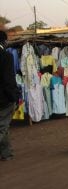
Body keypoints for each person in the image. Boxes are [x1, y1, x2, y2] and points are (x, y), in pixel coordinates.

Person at [0, 31, 19, 161]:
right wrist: (15, 97)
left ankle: (6, 153)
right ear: (4, 42)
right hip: (4, 99)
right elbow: (8, 80)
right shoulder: (6, 56)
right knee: (3, 126)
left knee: (4, 126)